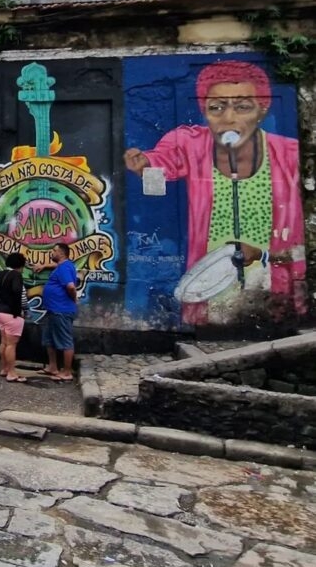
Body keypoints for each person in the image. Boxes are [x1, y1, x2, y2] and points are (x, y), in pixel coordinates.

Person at [123, 59, 305, 322]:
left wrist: (261, 254)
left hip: (269, 285)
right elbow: (165, 158)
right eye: (217, 108)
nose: (229, 118)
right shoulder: (193, 145)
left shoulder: (288, 156)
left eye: (243, 107)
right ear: (204, 111)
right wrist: (145, 163)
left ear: (262, 109)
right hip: (209, 284)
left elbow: (298, 246)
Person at [0, 251, 29, 383]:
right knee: (11, 345)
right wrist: (18, 311)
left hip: (0, 312)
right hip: (11, 314)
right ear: (20, 265)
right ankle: (11, 373)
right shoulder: (16, 275)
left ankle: (4, 368)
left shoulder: (2, 274)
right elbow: (17, 291)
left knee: (4, 342)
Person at [41, 242, 78, 381]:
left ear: (61, 253)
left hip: (61, 310)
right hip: (53, 310)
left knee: (65, 340)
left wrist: (74, 298)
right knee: (49, 339)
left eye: (54, 250)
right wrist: (44, 265)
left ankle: (67, 372)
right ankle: (53, 366)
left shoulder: (65, 268)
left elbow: (70, 287)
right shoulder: (62, 266)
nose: (52, 252)